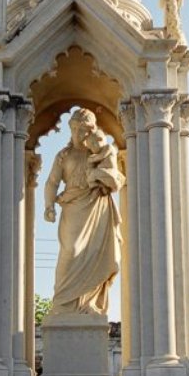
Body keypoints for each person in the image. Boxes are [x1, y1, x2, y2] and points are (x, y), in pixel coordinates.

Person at [44, 108, 122, 316]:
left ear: (91, 131)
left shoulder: (100, 153)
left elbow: (116, 180)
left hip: (97, 206)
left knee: (96, 253)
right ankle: (63, 303)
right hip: (72, 206)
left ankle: (89, 303)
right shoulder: (64, 155)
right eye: (75, 130)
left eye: (84, 131)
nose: (79, 135)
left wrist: (99, 173)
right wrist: (49, 205)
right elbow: (52, 182)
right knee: (72, 250)